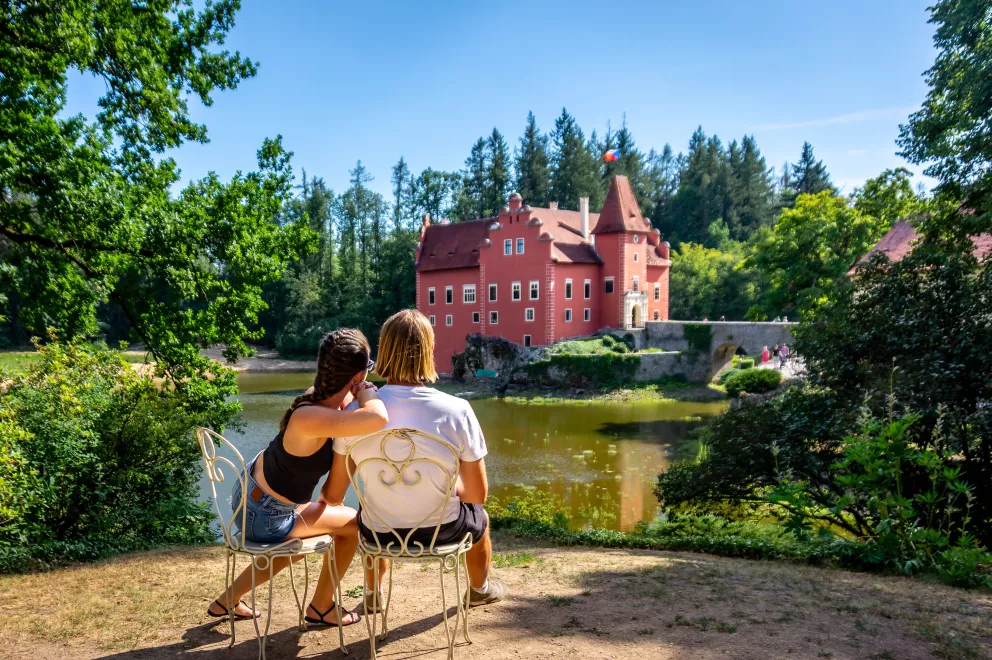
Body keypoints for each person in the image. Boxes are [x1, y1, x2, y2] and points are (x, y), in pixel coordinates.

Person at [207, 329, 387, 626]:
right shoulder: (314, 417)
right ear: (356, 375)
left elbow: (328, 498)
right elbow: (378, 418)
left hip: (250, 498)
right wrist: (368, 392)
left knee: (307, 536)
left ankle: (226, 601)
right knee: (353, 525)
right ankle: (321, 606)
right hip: (263, 514)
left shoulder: (318, 404)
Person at [336, 309, 507, 610]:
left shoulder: (354, 415)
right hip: (444, 530)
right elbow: (478, 495)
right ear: (429, 350)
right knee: (481, 518)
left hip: (379, 533)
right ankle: (479, 589)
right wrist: (447, 489)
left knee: (371, 504)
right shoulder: (457, 410)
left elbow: (342, 488)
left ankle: (373, 597)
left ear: (384, 350)